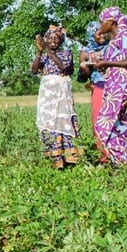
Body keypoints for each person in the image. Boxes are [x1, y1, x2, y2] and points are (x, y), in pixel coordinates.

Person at [92, 7, 127, 167]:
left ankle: (123, 158)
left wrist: (107, 63)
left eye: (102, 23)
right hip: (115, 84)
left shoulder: (124, 36)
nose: (100, 26)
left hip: (123, 85)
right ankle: (126, 161)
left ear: (111, 22)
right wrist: (103, 66)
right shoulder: (113, 41)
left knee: (105, 122)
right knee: (121, 124)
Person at [32, 25, 81, 169]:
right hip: (47, 95)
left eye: (56, 38)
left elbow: (63, 67)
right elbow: (35, 70)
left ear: (61, 41)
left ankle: (68, 157)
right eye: (50, 38)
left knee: (63, 119)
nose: (53, 41)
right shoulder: (44, 55)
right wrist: (39, 52)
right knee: (48, 122)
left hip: (61, 93)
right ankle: (54, 158)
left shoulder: (67, 53)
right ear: (46, 39)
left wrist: (48, 51)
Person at [78, 21, 108, 161]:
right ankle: (103, 156)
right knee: (99, 121)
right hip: (98, 88)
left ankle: (116, 155)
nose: (103, 36)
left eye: (104, 33)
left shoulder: (112, 47)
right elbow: (82, 78)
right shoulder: (85, 52)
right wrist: (86, 70)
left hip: (114, 87)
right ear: (91, 35)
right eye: (99, 34)